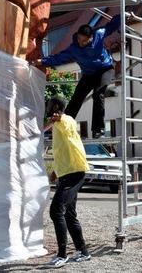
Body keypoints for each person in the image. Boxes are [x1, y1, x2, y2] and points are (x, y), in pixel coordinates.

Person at [35, 15, 121, 139]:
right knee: (76, 98)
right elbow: (58, 58)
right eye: (79, 39)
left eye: (84, 41)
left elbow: (112, 25)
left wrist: (122, 15)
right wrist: (42, 61)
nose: (81, 43)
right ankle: (63, 126)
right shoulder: (74, 48)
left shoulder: (99, 34)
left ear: (91, 37)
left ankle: (98, 129)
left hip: (105, 69)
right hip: (88, 73)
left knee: (98, 94)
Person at [45, 95, 91, 268]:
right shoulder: (57, 126)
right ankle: (83, 251)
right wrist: (55, 171)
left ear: (56, 107)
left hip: (75, 173)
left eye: (50, 105)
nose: (47, 107)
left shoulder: (67, 120)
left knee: (56, 211)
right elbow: (63, 150)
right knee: (69, 215)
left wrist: (60, 118)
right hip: (67, 173)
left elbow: (68, 127)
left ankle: (62, 255)